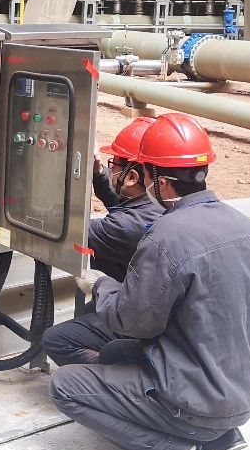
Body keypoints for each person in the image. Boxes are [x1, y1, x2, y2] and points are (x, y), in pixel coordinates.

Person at [49, 113, 250, 450]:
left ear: (159, 181)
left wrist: (102, 286)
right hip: (238, 393)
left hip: (195, 401)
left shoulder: (165, 238)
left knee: (65, 386)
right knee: (114, 353)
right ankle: (221, 436)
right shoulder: (245, 228)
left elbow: (131, 322)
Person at [42, 116, 163, 366]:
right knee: (91, 311)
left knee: (57, 339)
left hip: (140, 317)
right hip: (154, 309)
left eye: (114, 165)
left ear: (132, 177)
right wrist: (97, 172)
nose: (111, 170)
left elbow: (67, 229)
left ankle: (125, 373)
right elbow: (121, 201)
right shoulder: (156, 204)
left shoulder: (126, 226)